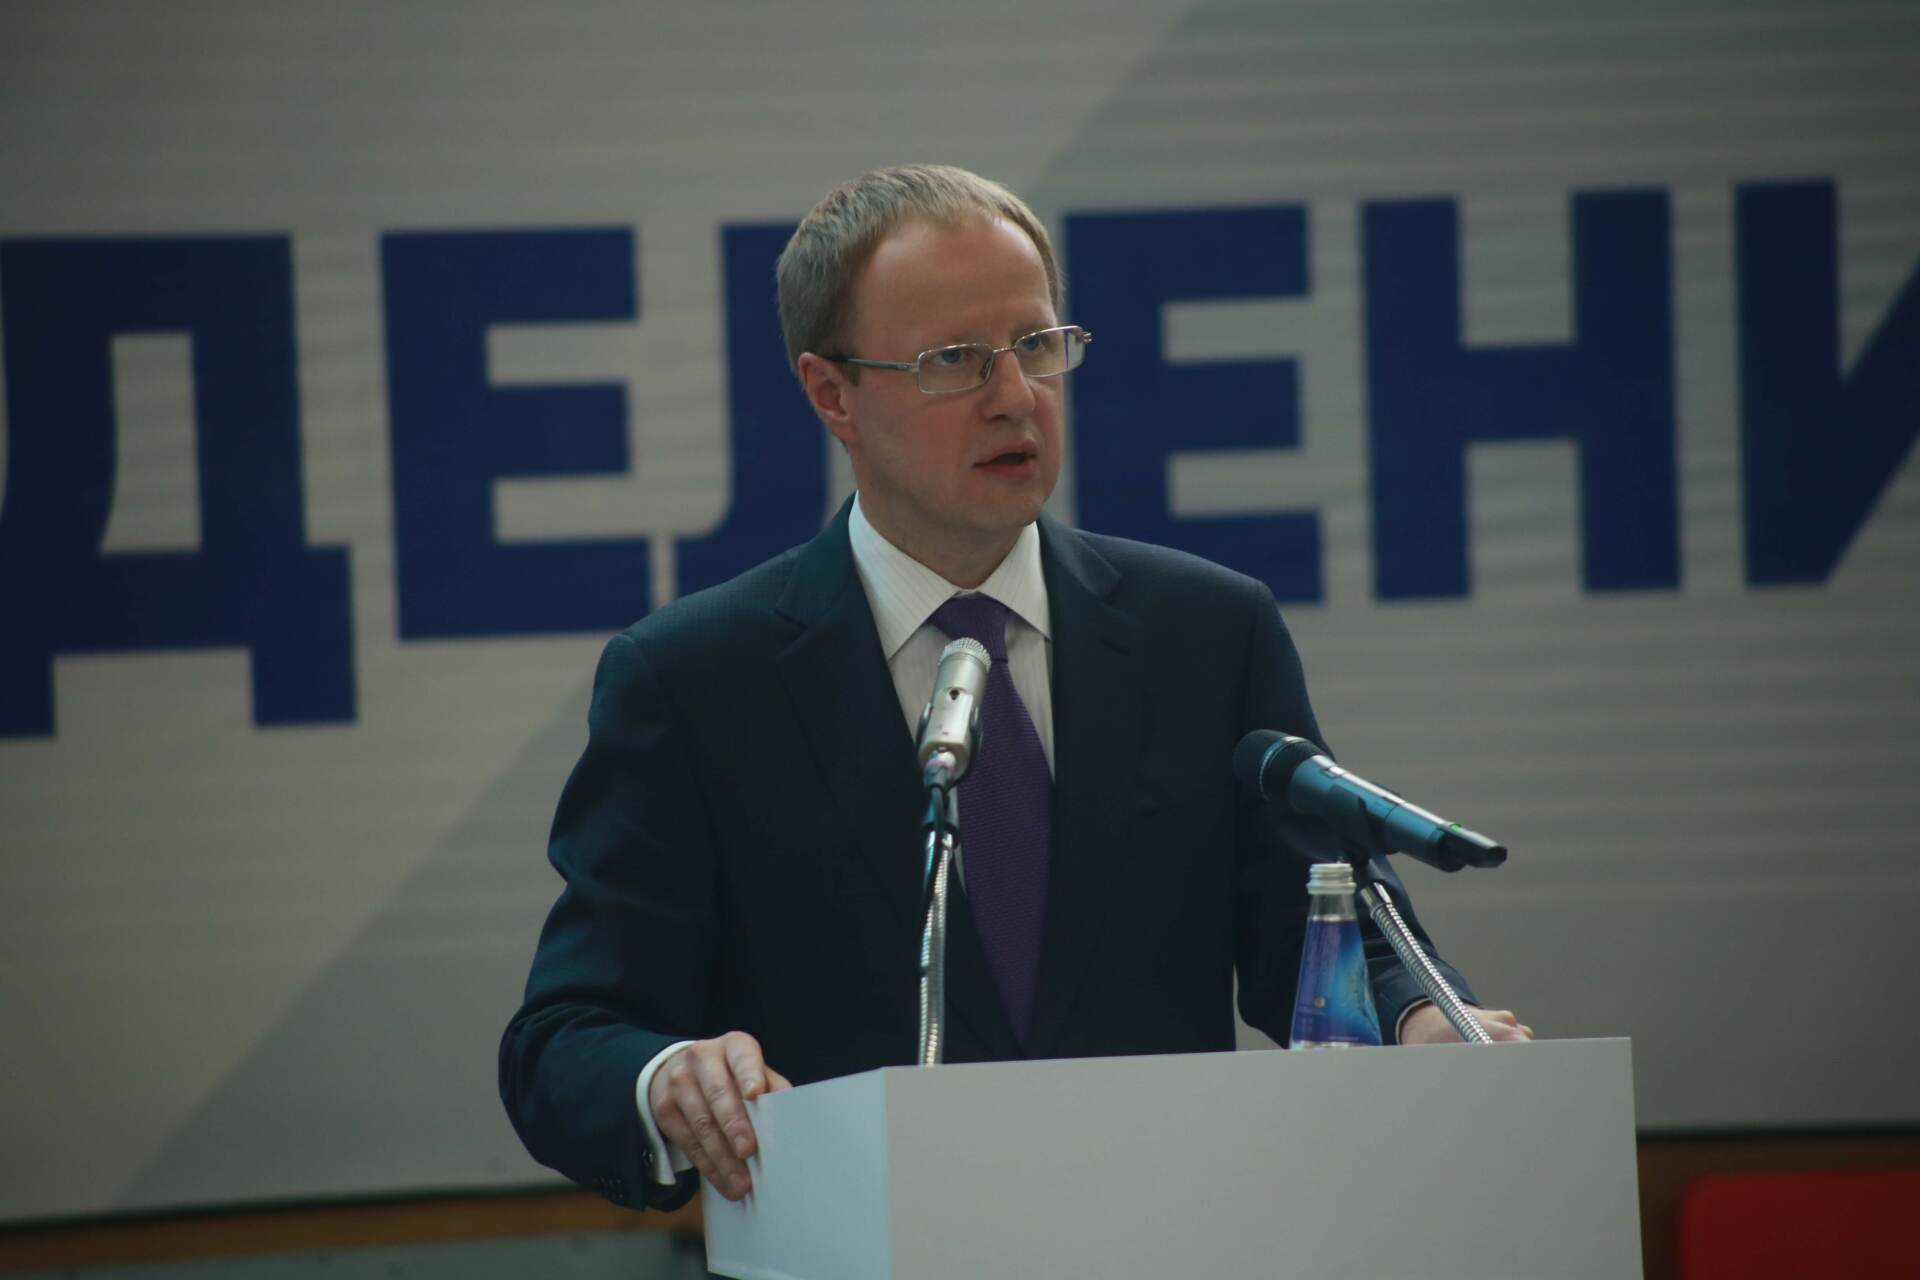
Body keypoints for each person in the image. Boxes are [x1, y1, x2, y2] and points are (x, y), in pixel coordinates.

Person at [499, 164, 1530, 1213]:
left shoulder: (1206, 634)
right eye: (953, 360)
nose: (1014, 395)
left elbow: (1316, 921)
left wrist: (1418, 1019)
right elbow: (565, 1039)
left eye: (1037, 344)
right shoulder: (697, 681)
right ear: (831, 393)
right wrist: (667, 1078)